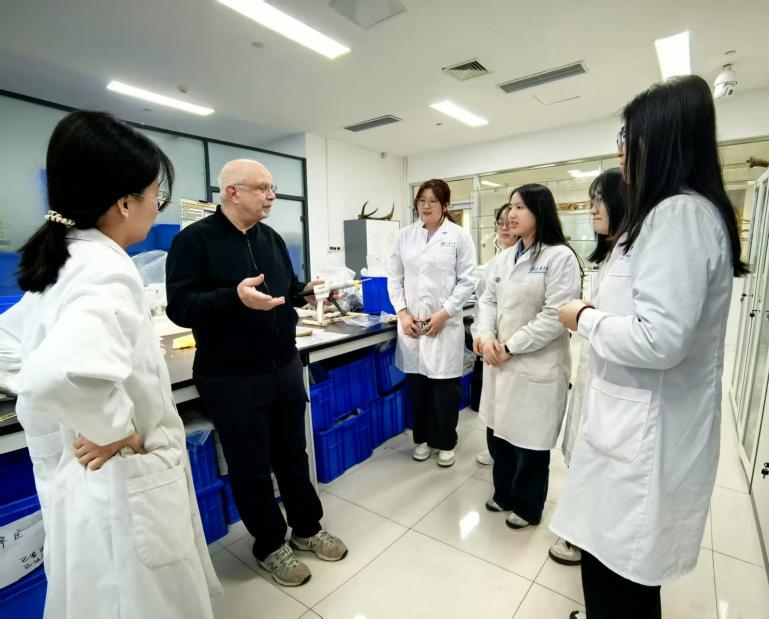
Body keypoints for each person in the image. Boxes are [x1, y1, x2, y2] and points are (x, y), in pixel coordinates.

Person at [0, 110, 220, 617]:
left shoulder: (66, 259)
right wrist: (116, 429)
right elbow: (59, 374)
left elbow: (11, 346)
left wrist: (71, 419)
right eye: (155, 194)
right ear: (124, 202)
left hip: (82, 485)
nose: (157, 207)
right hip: (120, 484)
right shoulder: (104, 271)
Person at [551, 75, 747, 618]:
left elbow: (659, 339)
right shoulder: (663, 214)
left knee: (623, 575)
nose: (621, 152)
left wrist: (583, 317)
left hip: (643, 439)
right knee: (610, 563)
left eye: (629, 138)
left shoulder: (680, 214)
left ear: (662, 139)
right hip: (628, 427)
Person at [165, 159, 347, 588]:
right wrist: (234, 297)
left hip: (283, 365)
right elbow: (180, 307)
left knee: (293, 454)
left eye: (272, 188)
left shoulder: (271, 238)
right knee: (250, 465)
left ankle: (306, 529)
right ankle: (269, 546)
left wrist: (307, 292)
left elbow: (286, 290)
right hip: (232, 375)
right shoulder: (194, 241)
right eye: (262, 188)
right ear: (232, 192)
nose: (271, 196)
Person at [477, 184, 581, 529]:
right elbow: (487, 300)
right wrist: (486, 336)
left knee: (530, 442)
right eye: (510, 207)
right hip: (499, 361)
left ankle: (527, 505)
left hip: (535, 364)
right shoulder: (504, 258)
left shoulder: (559, 258)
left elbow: (555, 316)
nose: (511, 214)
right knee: (499, 434)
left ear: (540, 211)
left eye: (520, 207)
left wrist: (509, 347)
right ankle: (503, 493)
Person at [549, 168, 626, 566]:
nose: (593, 208)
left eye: (600, 200)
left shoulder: (631, 255)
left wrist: (582, 315)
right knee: (583, 455)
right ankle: (583, 534)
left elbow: (638, 332)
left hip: (617, 385)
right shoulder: (613, 253)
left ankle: (587, 540)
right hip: (595, 371)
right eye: (592, 201)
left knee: (599, 463)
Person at [387, 179, 476, 468]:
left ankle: (445, 442)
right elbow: (394, 278)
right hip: (412, 324)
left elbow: (467, 281)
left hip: (445, 324)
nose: (425, 206)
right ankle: (422, 440)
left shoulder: (459, 236)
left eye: (433, 201)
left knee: (445, 390)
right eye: (421, 201)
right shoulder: (404, 236)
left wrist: (443, 313)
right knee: (418, 388)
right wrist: (402, 313)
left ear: (445, 205)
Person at [471, 204, 518, 465]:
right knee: (492, 404)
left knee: (511, 407)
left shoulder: (538, 262)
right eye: (500, 222)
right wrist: (480, 334)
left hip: (514, 348)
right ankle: (495, 451)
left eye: (510, 222)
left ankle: (507, 455)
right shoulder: (494, 263)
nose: (504, 227)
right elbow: (483, 304)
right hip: (490, 344)